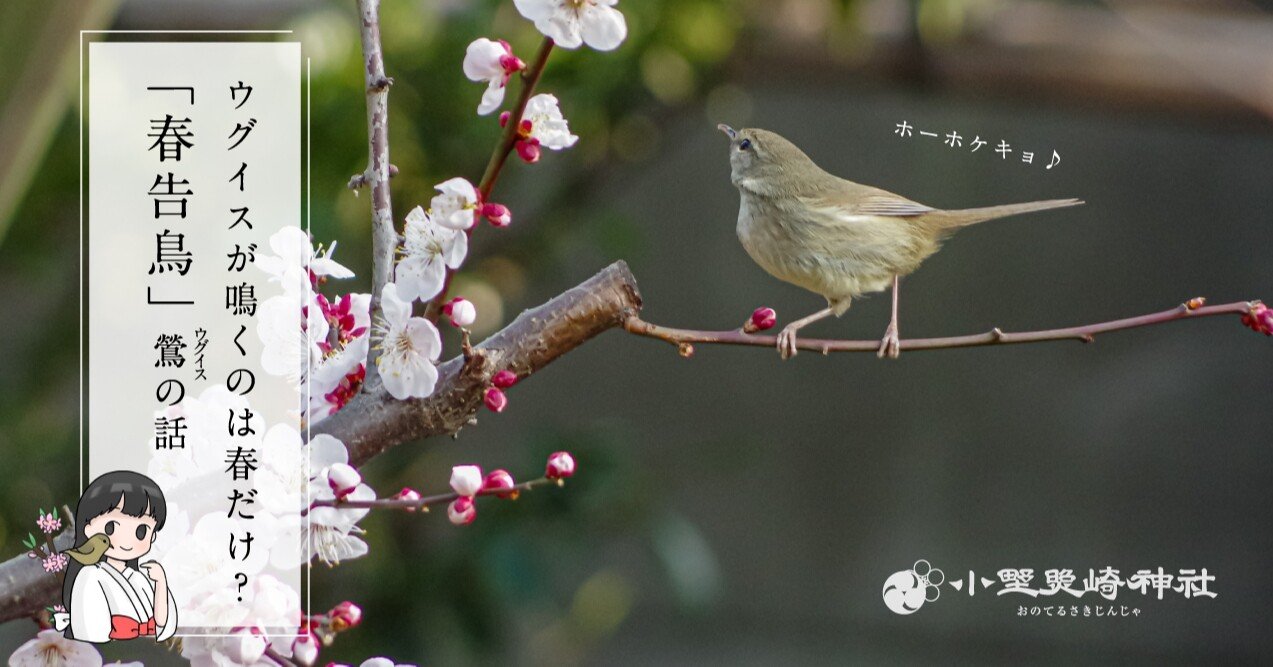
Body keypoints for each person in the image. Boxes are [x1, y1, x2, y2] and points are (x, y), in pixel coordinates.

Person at [60, 471, 178, 643]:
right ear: (88, 529)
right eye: (110, 527)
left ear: (152, 536)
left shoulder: (141, 578)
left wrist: (161, 582)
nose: (126, 541)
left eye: (141, 531)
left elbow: (161, 622)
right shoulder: (90, 576)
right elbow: (91, 629)